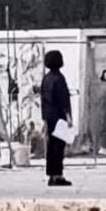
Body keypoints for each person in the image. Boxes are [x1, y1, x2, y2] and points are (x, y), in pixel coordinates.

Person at [40, 50, 72, 187]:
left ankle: (51, 174)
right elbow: (63, 99)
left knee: (51, 146)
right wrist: (68, 116)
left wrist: (44, 117)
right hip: (59, 116)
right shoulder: (60, 79)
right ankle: (58, 174)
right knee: (59, 146)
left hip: (49, 116)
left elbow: (43, 98)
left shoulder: (46, 79)